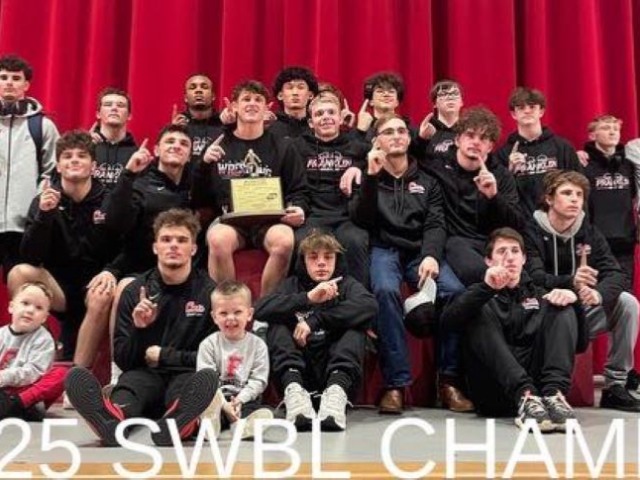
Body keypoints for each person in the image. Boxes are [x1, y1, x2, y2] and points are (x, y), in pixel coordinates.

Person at [65, 208, 218, 447]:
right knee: (130, 389)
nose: (173, 245)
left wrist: (164, 356)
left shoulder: (209, 292)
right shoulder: (135, 291)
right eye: (166, 239)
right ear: (155, 247)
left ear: (194, 249)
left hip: (185, 374)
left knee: (189, 390)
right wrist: (139, 329)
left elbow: (212, 358)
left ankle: (181, 424)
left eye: (181, 240)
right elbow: (124, 360)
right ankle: (113, 420)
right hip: (144, 374)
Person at [349, 114, 447, 414]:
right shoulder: (366, 175)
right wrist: (371, 176)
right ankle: (396, 385)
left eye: (402, 131)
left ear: (409, 138)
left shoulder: (428, 181)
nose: (396, 136)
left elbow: (436, 224)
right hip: (385, 249)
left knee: (455, 291)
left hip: (419, 252)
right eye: (388, 131)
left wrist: (431, 255)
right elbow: (361, 220)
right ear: (376, 141)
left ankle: (450, 380)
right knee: (385, 291)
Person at [442, 228, 582, 432]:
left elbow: (581, 345)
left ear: (523, 259)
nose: (509, 257)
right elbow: (448, 324)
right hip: (494, 391)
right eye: (501, 251)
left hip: (541, 396)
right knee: (476, 310)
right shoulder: (477, 293)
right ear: (488, 261)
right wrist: (486, 288)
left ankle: (555, 395)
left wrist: (575, 303)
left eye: (515, 251)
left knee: (562, 305)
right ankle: (525, 395)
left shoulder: (541, 295)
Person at [525, 170, 640, 411]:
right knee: (557, 307)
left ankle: (615, 386)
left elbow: (616, 274)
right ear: (549, 199)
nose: (575, 199)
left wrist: (597, 293)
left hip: (579, 314)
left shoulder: (589, 233)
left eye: (579, 194)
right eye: (567, 193)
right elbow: (533, 278)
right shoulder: (531, 231)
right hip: (541, 313)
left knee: (627, 303)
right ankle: (545, 389)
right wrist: (571, 282)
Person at [8, 131, 119, 363]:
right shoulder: (44, 200)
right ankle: (39, 350)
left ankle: (78, 375)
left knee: (101, 293)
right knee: (19, 273)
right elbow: (30, 256)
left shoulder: (110, 200)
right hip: (58, 289)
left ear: (93, 166)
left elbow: (125, 247)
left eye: (81, 156)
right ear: (58, 166)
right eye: (67, 156)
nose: (74, 160)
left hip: (95, 284)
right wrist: (44, 216)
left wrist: (111, 271)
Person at [194, 80, 308, 297]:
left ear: (268, 108)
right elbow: (198, 198)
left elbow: (299, 189)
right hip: (230, 220)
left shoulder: (284, 146)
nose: (252, 104)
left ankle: (266, 309)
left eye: (258, 100)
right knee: (218, 239)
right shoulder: (218, 145)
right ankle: (229, 304)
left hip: (269, 220)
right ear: (233, 106)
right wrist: (204, 164)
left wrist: (299, 209)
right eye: (246, 99)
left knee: (284, 240)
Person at [254, 231, 377, 430]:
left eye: (328, 257)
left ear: (337, 260)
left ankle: (336, 394)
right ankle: (294, 392)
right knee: (277, 325)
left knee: (356, 327)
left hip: (335, 369)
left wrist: (315, 321)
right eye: (313, 257)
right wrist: (308, 298)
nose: (321, 263)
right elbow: (260, 309)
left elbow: (370, 306)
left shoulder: (346, 284)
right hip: (301, 369)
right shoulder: (292, 285)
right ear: (303, 261)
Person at [292, 91, 370, 285]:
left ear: (340, 118)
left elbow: (380, 161)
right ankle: (309, 299)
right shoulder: (297, 147)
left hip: (347, 217)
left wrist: (358, 168)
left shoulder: (357, 146)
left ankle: (357, 298)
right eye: (319, 114)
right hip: (313, 216)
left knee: (355, 240)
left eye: (331, 112)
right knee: (304, 241)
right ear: (311, 123)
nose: (326, 117)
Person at [0, 55, 59, 277]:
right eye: (3, 77)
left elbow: (53, 172)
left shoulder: (43, 126)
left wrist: (36, 207)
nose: (9, 83)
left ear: (26, 85)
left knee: (23, 286)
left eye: (16, 78)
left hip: (25, 226)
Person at [197, 280, 273, 440]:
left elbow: (259, 380)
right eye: (223, 313)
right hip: (217, 397)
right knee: (206, 401)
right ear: (214, 317)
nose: (230, 318)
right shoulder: (208, 344)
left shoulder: (258, 345)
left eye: (237, 312)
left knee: (259, 411)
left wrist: (239, 400)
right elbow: (206, 379)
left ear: (249, 314)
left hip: (245, 399)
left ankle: (242, 425)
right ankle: (210, 423)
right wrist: (225, 405)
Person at [495, 87, 582, 216]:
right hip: (521, 222)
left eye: (532, 107)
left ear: (541, 111)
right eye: (521, 107)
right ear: (513, 114)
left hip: (558, 220)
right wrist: (510, 172)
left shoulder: (562, 147)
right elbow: (499, 196)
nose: (527, 111)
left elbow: (579, 186)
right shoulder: (503, 153)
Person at [581, 115, 636, 287]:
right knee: (598, 292)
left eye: (616, 129)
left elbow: (634, 197)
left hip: (625, 242)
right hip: (596, 242)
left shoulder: (628, 165)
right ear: (592, 135)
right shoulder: (584, 165)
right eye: (606, 128)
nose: (612, 132)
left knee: (624, 292)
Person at [0, 282, 67, 420]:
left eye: (38, 308)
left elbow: (34, 372)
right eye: (25, 303)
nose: (30, 310)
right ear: (11, 307)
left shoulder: (44, 339)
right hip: (2, 389)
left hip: (24, 390)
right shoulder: (1, 334)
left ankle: (17, 405)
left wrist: (4, 377)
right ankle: (15, 410)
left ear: (44, 317)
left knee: (62, 374)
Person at [91, 88, 138, 191]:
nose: (114, 108)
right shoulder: (86, 148)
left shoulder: (136, 154)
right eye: (108, 104)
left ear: (129, 115)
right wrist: (83, 145)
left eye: (120, 105)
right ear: (98, 114)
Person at [171, 74, 224, 163]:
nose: (198, 90)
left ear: (213, 96)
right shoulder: (179, 125)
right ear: (185, 98)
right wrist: (172, 132)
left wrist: (231, 126)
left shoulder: (223, 123)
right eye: (192, 87)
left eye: (204, 87)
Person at [354, 72, 409, 143]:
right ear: (371, 101)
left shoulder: (407, 129)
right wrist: (360, 132)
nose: (386, 94)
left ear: (397, 102)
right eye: (380, 91)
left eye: (391, 91)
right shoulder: (361, 129)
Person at [416, 79, 464, 157]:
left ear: (461, 102)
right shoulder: (426, 130)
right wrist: (422, 140)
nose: (450, 97)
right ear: (435, 103)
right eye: (444, 94)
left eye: (455, 94)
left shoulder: (469, 130)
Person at [269, 66, 319, 140]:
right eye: (290, 88)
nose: (295, 93)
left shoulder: (317, 125)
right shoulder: (269, 125)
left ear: (310, 95)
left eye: (300, 87)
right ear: (280, 95)